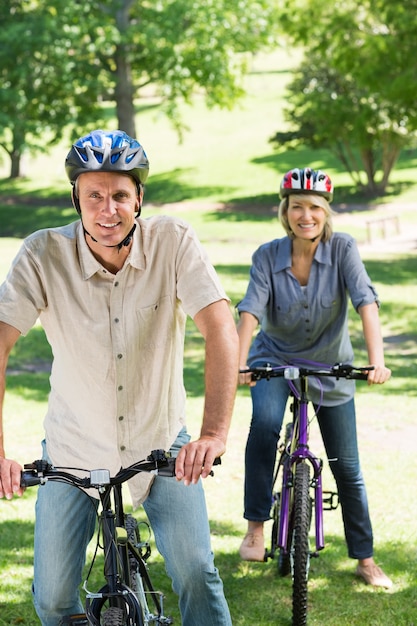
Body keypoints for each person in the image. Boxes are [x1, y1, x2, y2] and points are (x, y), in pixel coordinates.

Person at [0, 129, 239, 625]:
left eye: (120, 196)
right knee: (51, 600)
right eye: (94, 196)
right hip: (73, 449)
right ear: (76, 198)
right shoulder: (42, 255)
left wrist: (213, 434)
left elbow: (220, 328)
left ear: (139, 199)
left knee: (197, 572)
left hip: (160, 440)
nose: (107, 209)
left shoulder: (173, 242)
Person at [236, 167, 392, 588]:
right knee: (265, 426)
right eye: (298, 207)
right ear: (285, 212)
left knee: (348, 467)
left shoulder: (342, 249)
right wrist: (239, 362)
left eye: (315, 208)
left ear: (327, 213)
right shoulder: (267, 255)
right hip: (274, 361)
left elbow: (366, 302)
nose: (307, 216)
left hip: (331, 366)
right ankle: (256, 527)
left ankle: (365, 559)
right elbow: (250, 310)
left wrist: (375, 362)